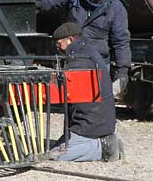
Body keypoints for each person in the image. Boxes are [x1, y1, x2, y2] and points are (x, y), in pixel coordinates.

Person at [15, 0, 131, 99]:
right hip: (73, 58)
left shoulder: (117, 9)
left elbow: (121, 43)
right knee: (74, 102)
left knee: (95, 103)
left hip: (97, 62)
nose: (91, 1)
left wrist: (122, 72)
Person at [50, 22, 123, 162]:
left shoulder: (80, 60)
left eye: (60, 43)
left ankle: (105, 148)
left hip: (90, 124)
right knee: (55, 150)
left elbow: (66, 91)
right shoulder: (86, 52)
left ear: (70, 40)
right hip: (95, 120)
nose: (58, 46)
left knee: (56, 156)